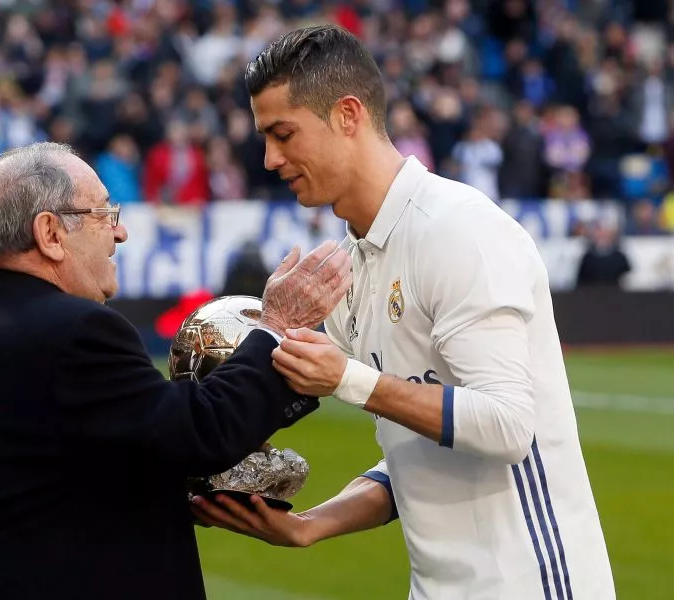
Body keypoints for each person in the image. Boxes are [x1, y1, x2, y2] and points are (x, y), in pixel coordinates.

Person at [191, 25, 615, 600]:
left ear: (347, 115)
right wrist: (312, 525)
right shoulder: (351, 263)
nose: (269, 159)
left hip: (531, 583)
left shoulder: (457, 229)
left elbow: (508, 425)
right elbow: (416, 450)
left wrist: (348, 378)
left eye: (283, 134)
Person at [0, 141, 352, 599]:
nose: (119, 234)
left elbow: (72, 475)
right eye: (105, 214)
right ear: (50, 234)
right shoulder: (72, 331)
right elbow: (200, 433)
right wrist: (278, 327)